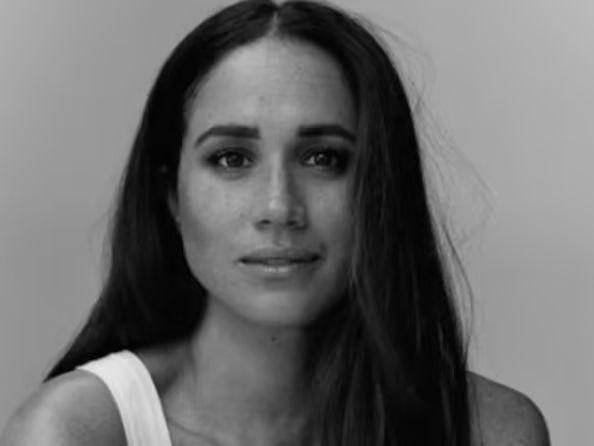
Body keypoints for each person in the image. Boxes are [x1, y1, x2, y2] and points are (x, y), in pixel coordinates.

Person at [1, 0, 550, 445]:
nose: (279, 206)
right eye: (232, 159)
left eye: (323, 158)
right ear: (170, 195)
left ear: (381, 189)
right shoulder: (74, 433)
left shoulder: (492, 432)